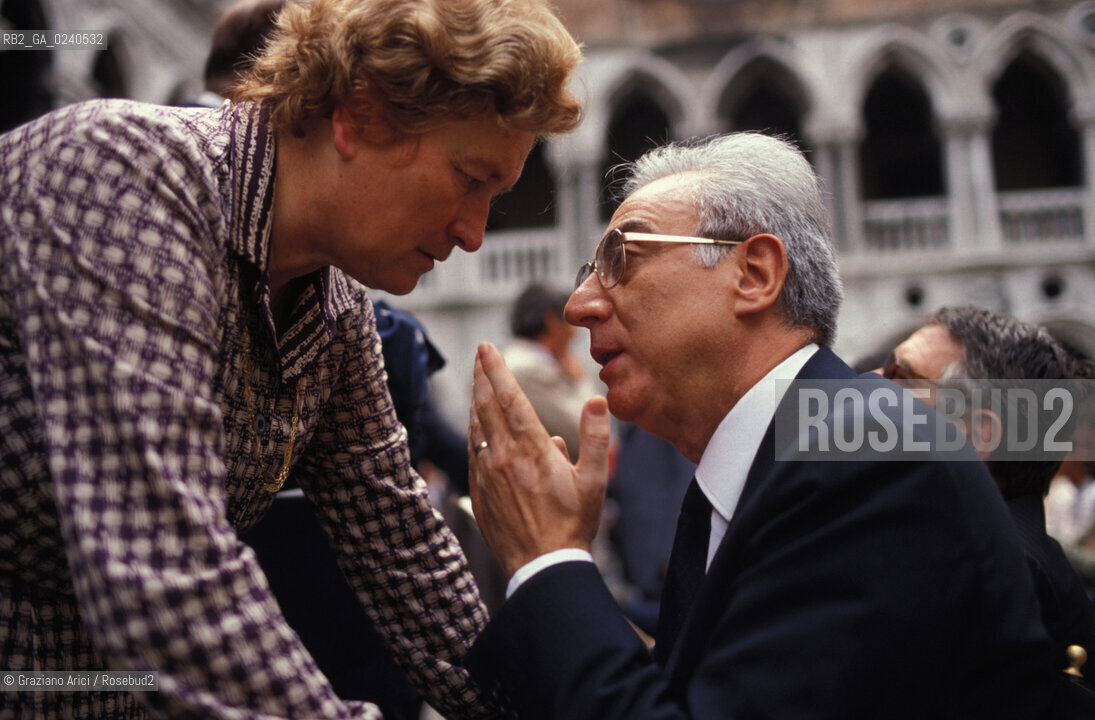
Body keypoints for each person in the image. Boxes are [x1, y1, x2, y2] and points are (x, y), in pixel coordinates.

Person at [0, 0, 582, 716]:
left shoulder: (334, 306)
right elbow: (161, 569)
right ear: (359, 114)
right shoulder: (126, 171)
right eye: (470, 178)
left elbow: (403, 556)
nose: (473, 234)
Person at [463, 132, 1054, 719]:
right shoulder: (771, 474)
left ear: (755, 273)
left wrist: (550, 557)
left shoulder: (874, 463)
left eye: (623, 257)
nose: (578, 305)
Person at [886, 306, 1095, 689]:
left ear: (978, 433)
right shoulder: (971, 552)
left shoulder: (993, 576)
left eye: (900, 376)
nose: (868, 382)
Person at [503, 282, 597, 462]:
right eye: (571, 321)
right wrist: (580, 381)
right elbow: (586, 435)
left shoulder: (518, 359)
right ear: (552, 321)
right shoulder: (530, 369)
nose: (576, 333)